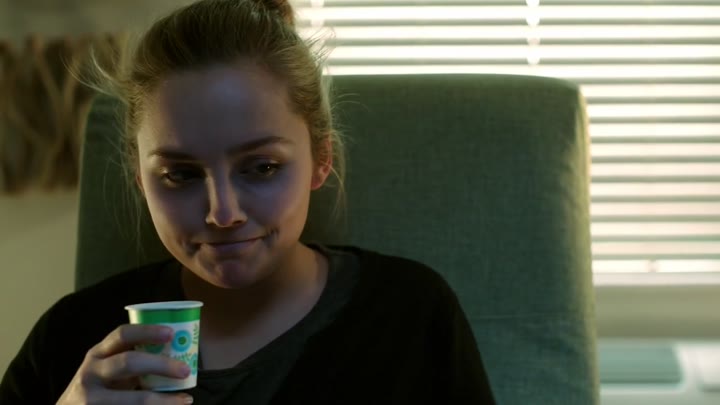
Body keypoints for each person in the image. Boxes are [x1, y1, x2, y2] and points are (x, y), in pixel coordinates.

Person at [0, 0, 496, 403]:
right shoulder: (70, 339)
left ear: (321, 160)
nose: (223, 213)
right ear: (139, 179)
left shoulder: (409, 315)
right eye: (180, 175)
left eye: (262, 168)